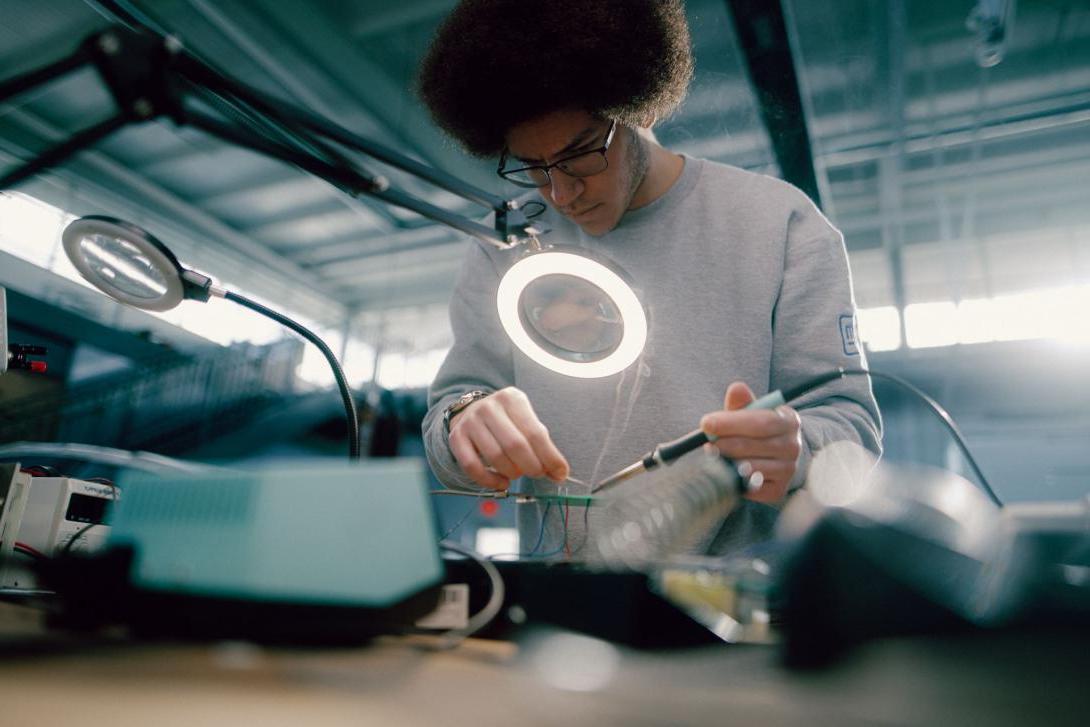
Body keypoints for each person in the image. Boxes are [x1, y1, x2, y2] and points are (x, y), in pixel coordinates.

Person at [416, 0, 881, 557]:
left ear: (642, 109)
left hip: (734, 609)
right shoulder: (507, 246)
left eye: (580, 155)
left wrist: (798, 446)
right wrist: (466, 425)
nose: (561, 194)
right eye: (532, 168)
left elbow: (852, 427)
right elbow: (448, 416)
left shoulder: (780, 223)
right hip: (566, 607)